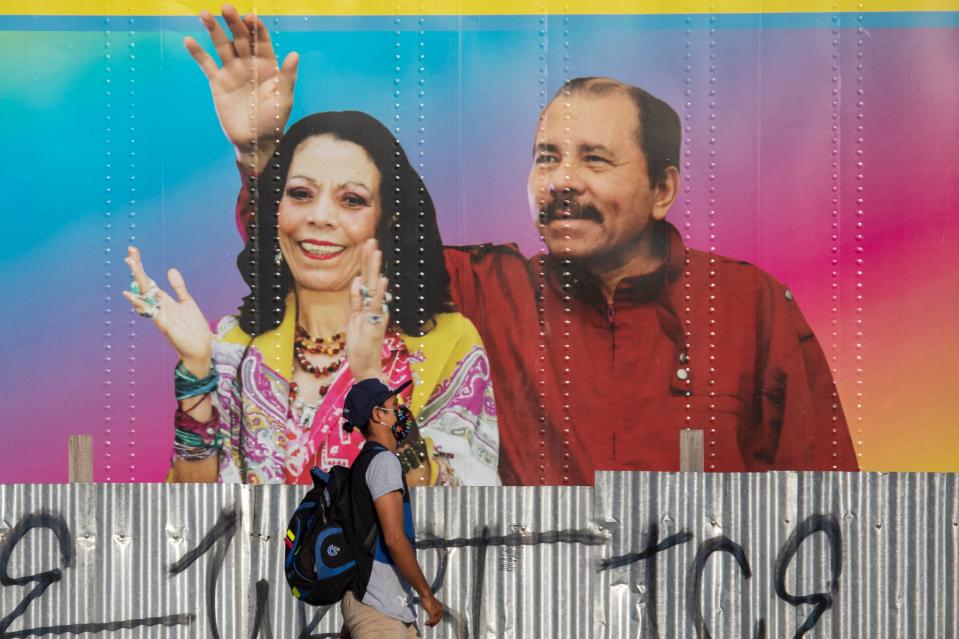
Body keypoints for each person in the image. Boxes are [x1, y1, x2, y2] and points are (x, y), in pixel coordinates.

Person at [192, 7, 858, 484]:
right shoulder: (493, 293)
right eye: (546, 157)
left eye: (593, 159)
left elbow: (828, 498)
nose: (562, 181)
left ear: (662, 188)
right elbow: (329, 256)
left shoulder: (747, 306)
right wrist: (260, 153)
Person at [123, 108, 500, 486]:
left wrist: (372, 380)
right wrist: (196, 373)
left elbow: (454, 510)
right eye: (301, 194)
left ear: (388, 219)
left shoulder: (447, 344)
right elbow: (192, 519)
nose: (320, 217)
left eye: (351, 200)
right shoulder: (231, 348)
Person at [339, 378, 444, 638]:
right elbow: (395, 539)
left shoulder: (365, 463)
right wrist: (427, 595)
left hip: (388, 608)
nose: (400, 413)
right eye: (394, 406)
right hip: (379, 612)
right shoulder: (383, 462)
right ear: (378, 414)